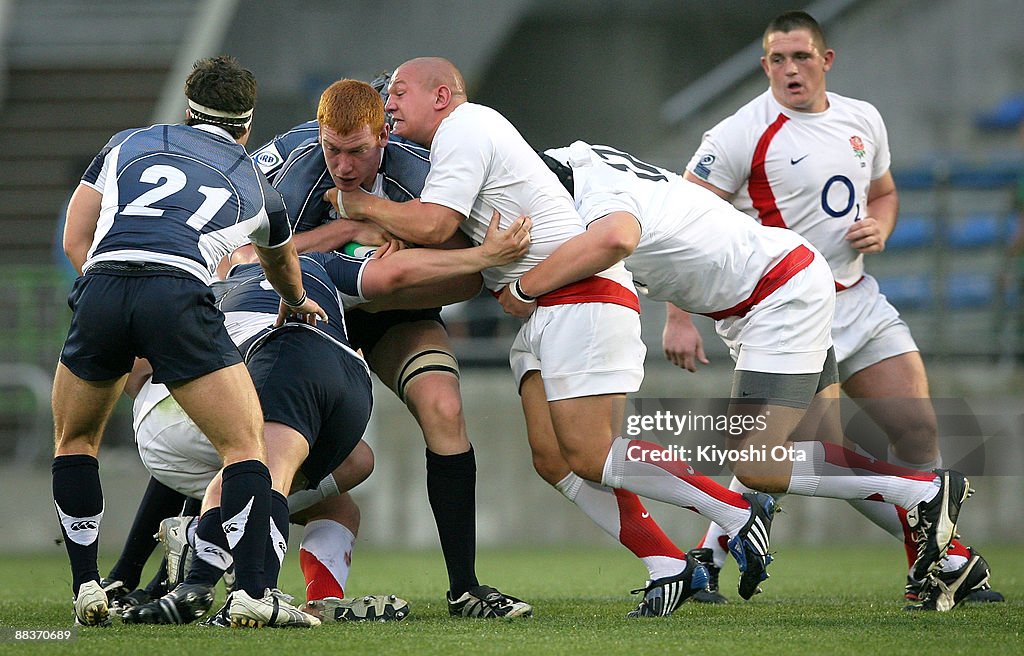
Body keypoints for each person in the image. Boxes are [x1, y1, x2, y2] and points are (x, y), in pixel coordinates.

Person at [328, 56, 805, 617]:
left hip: (579, 295)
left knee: (591, 452)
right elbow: (449, 237)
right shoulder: (460, 141)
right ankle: (666, 564)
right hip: (544, 305)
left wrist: (357, 203)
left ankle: (735, 511)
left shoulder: (466, 124)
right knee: (554, 459)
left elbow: (435, 224)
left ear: (441, 96)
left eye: (401, 91)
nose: (390, 102)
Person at [532, 140, 974, 614]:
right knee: (811, 451)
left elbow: (616, 237)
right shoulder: (579, 156)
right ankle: (954, 564)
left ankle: (922, 490)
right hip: (777, 281)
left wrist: (524, 286)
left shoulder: (594, 198)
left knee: (760, 463)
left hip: (776, 293)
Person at [679, 10, 1001, 609]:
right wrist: (678, 314)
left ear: (827, 61)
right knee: (806, 455)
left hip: (858, 298)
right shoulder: (740, 133)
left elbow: (883, 192)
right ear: (764, 66)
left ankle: (929, 569)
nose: (790, 70)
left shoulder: (863, 119)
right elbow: (681, 219)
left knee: (919, 429)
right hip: (787, 311)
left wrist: (881, 225)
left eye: (801, 57)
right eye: (777, 59)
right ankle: (708, 556)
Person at [120, 221, 526, 625]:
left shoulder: (197, 278)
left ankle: (227, 577)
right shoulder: (317, 267)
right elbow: (394, 275)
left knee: (324, 483)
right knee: (294, 468)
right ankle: (237, 583)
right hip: (316, 373)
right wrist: (483, 258)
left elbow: (135, 373)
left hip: (179, 412)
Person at [239, 78, 531, 618]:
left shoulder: (420, 173)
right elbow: (240, 258)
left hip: (391, 316)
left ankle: (464, 588)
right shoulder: (296, 170)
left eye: (358, 152)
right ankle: (169, 565)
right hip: (307, 316)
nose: (344, 166)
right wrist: (346, 232)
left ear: (385, 136)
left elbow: (467, 278)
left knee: (443, 408)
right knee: (246, 430)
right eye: (334, 150)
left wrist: (384, 277)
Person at [53, 55, 327, 628]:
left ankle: (87, 588)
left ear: (187, 109)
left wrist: (118, 316)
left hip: (103, 287)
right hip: (176, 293)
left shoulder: (127, 142)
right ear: (246, 127)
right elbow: (282, 263)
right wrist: (296, 301)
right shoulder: (253, 176)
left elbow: (77, 236)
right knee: (245, 445)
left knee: (75, 441)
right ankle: (253, 591)